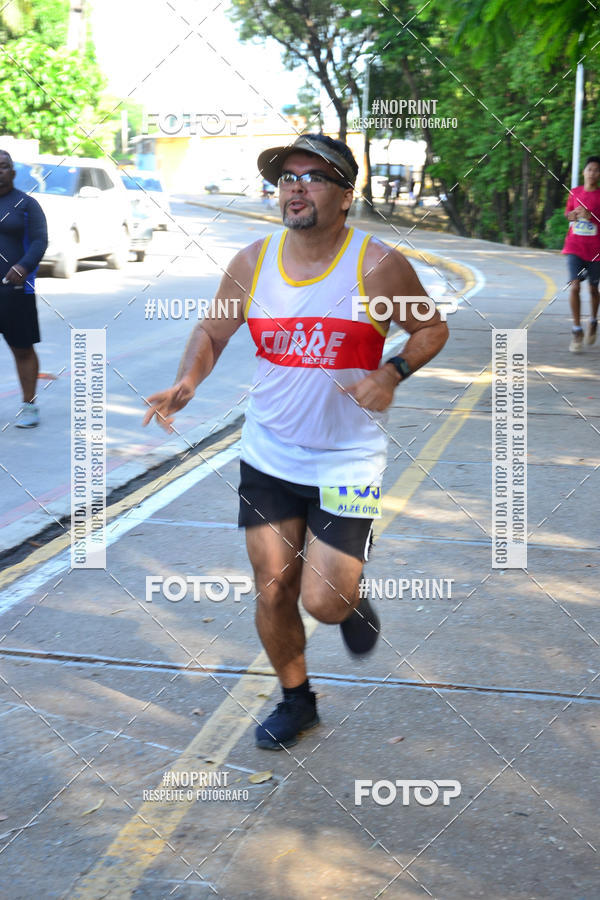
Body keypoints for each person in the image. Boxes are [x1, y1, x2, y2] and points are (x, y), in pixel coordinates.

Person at [143, 133, 449, 750]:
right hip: (270, 452)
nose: (296, 187)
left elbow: (432, 328)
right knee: (274, 586)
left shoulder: (377, 265)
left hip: (347, 456)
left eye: (313, 176)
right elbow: (213, 329)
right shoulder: (253, 263)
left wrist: (393, 372)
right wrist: (188, 380)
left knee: (326, 602)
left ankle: (349, 600)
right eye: (287, 178)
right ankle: (296, 699)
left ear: (345, 195)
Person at [0, 149, 48, 427]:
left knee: (22, 349)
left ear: (13, 172)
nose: (0, 171)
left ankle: (29, 406)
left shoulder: (26, 205)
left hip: (16, 293)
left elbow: (40, 241)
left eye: (4, 167)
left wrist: (24, 267)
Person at [562, 155, 600, 352]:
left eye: (596, 170)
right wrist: (573, 215)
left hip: (595, 251)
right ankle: (577, 330)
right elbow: (567, 215)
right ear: (584, 172)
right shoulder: (575, 192)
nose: (592, 173)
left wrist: (591, 217)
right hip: (574, 247)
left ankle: (593, 321)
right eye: (590, 169)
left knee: (593, 290)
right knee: (574, 287)